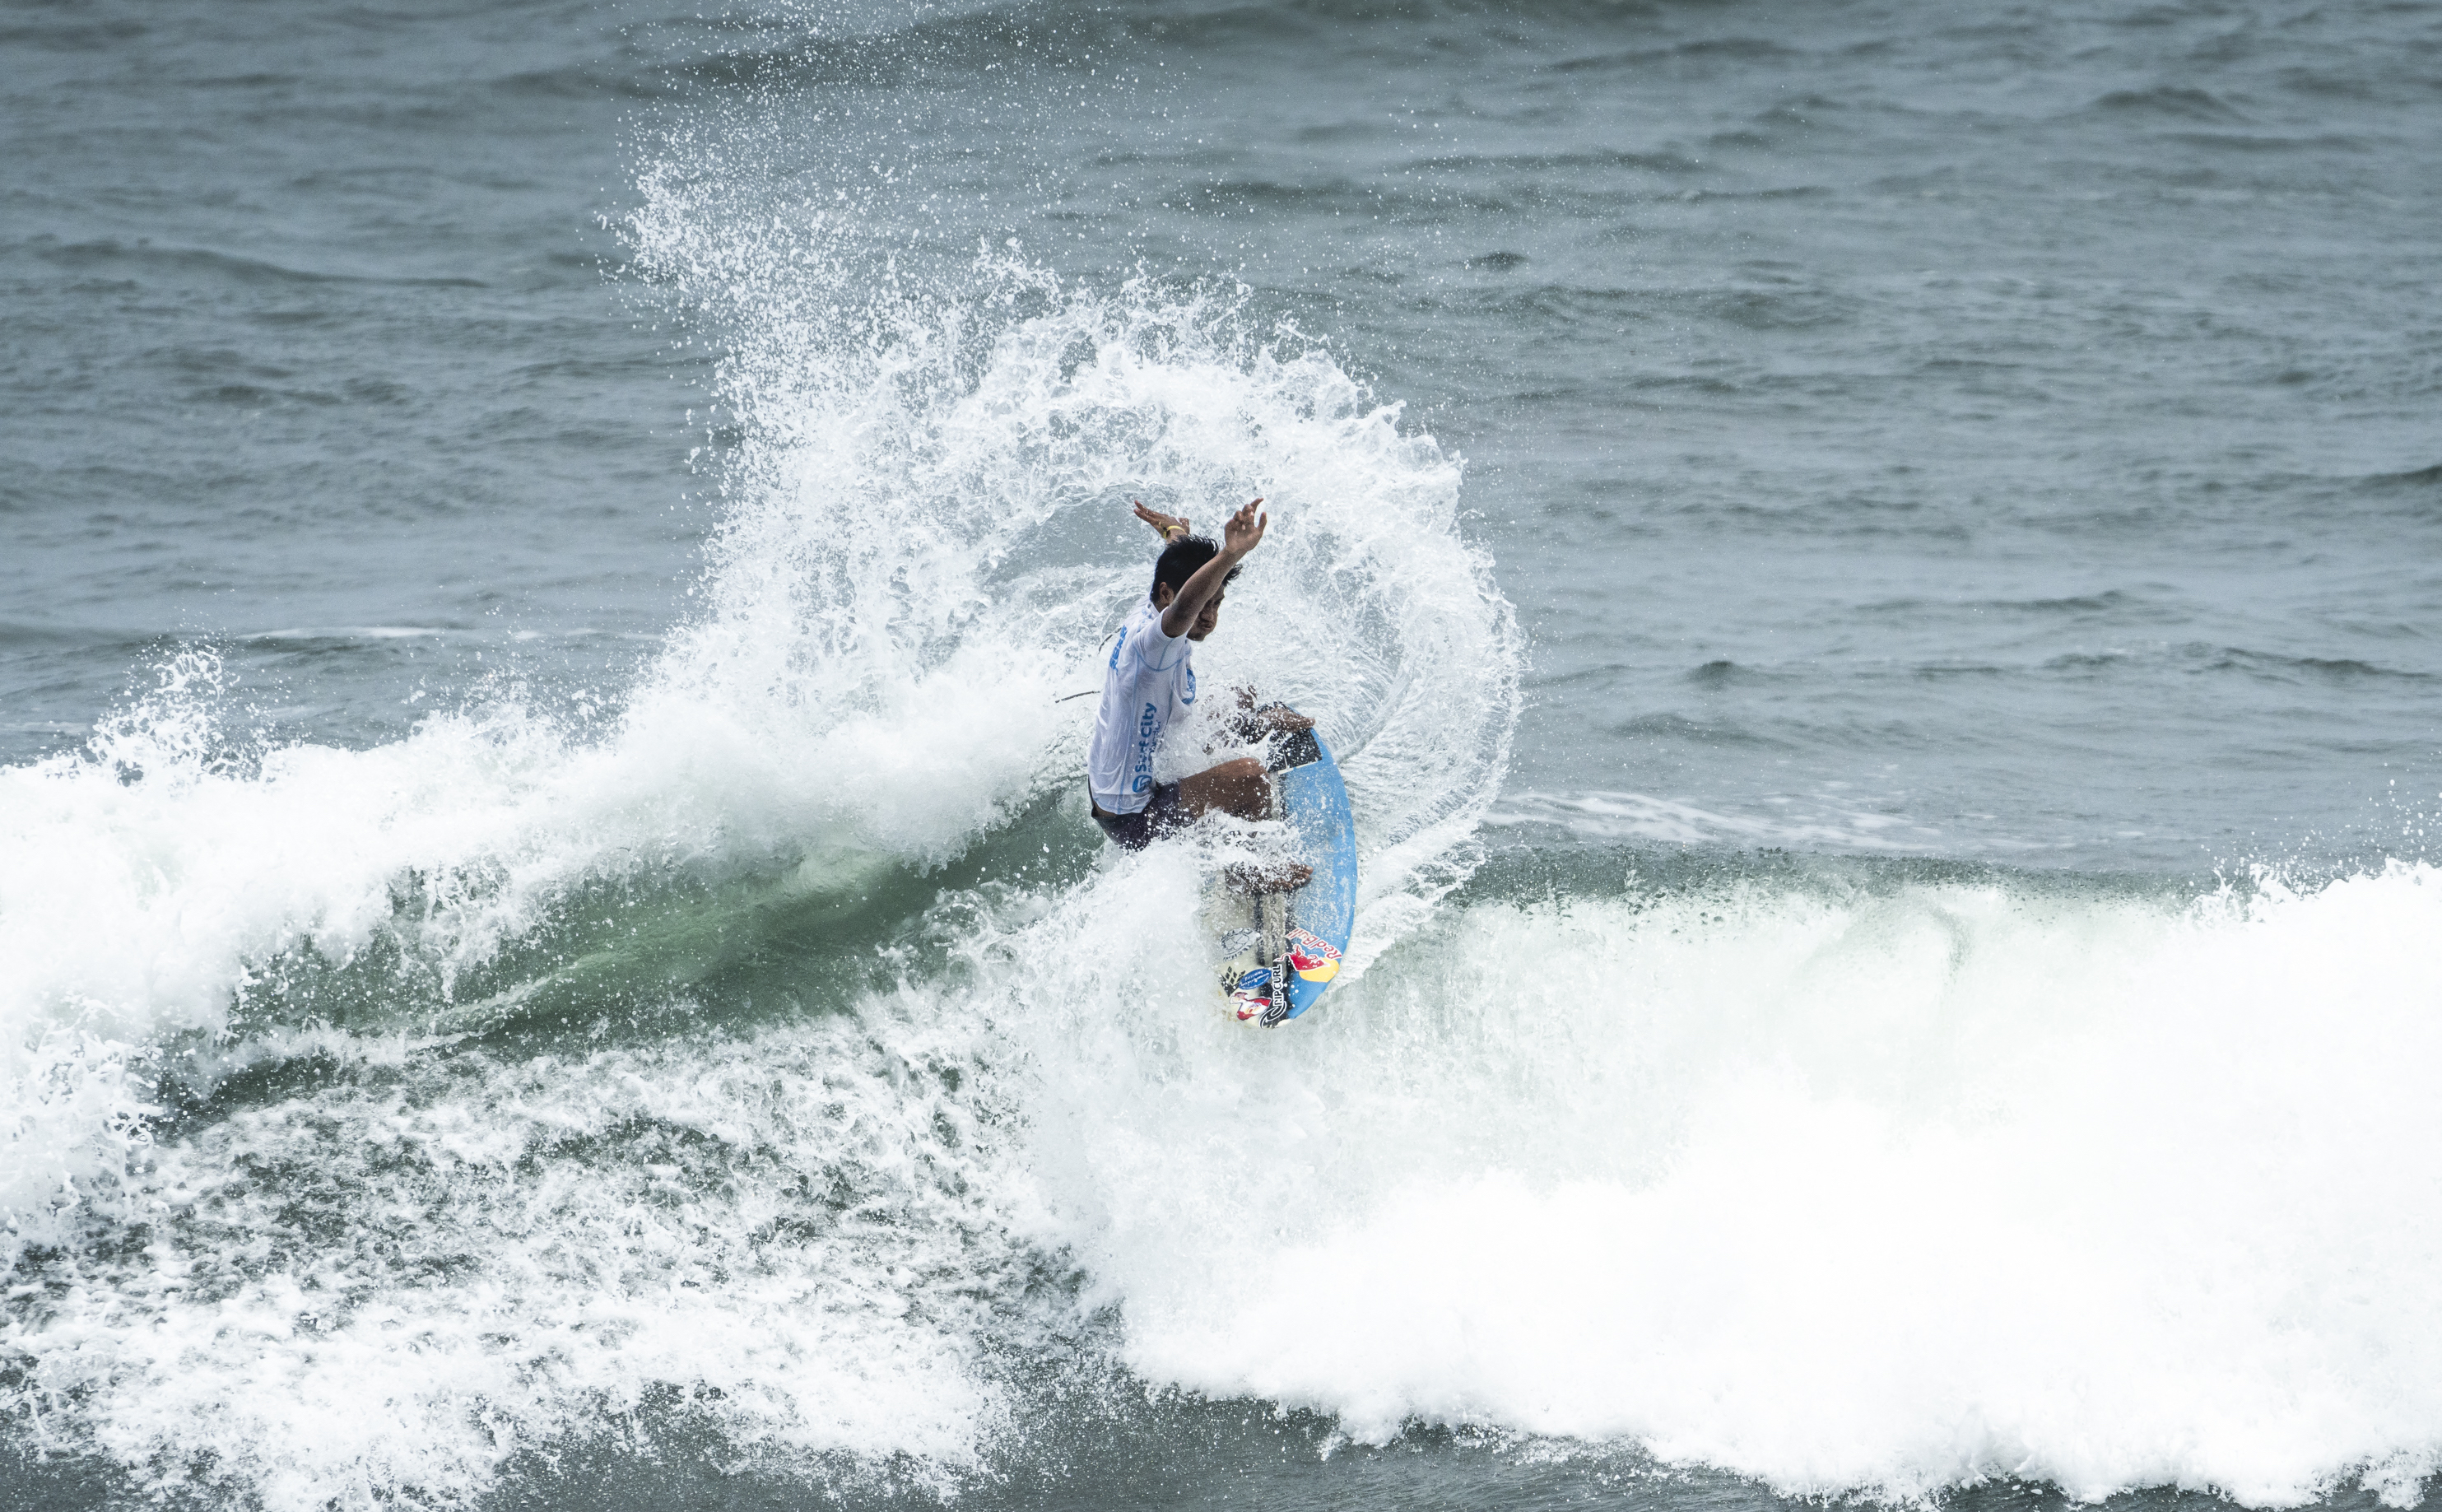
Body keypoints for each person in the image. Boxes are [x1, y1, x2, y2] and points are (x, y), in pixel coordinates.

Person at [1085, 495, 1314, 882]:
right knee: (1251, 777)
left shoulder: (1155, 599)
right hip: (1132, 819)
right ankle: (1248, 872)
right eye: (1203, 605)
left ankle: (1252, 724)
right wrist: (1230, 553)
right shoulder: (1152, 644)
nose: (1208, 617)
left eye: (1217, 604)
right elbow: (1185, 606)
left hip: (1138, 770)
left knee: (1240, 696)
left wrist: (1174, 532)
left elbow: (1179, 563)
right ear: (1166, 596)